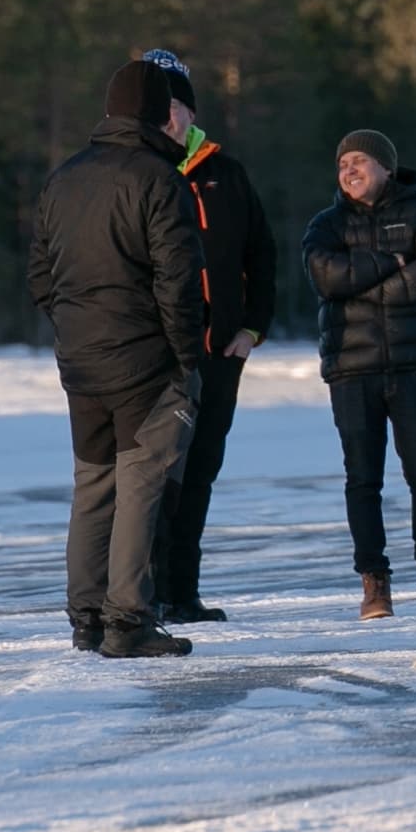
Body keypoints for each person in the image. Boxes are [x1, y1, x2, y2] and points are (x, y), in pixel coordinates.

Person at [26, 58, 209, 659]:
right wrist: (186, 358)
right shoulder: (160, 180)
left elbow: (40, 277)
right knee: (139, 489)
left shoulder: (64, 179)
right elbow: (177, 283)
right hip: (145, 364)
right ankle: (127, 619)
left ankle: (86, 615)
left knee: (93, 486)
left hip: (82, 362)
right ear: (159, 113)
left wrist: (77, 328)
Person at [140, 48, 275, 626]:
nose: (166, 119)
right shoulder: (139, 173)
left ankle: (183, 591)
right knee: (154, 476)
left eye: (173, 107)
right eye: (156, 109)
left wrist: (250, 329)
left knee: (200, 472)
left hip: (219, 353)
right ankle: (142, 593)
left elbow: (261, 255)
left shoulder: (226, 173)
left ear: (189, 113)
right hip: (155, 357)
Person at [308, 128, 416, 620]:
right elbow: (325, 275)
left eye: (359, 161)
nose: (349, 170)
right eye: (342, 164)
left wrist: (363, 285)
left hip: (414, 366)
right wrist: (390, 263)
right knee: (363, 479)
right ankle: (374, 582)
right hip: (352, 371)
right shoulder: (326, 225)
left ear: (386, 167)